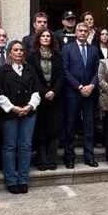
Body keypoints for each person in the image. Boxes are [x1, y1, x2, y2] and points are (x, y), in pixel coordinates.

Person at [0, 40, 43, 193]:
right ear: (10, 53)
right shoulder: (2, 71)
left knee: (26, 146)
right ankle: (11, 180)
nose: (19, 52)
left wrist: (29, 106)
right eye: (15, 50)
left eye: (21, 50)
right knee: (10, 146)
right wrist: (13, 108)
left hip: (28, 113)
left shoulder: (30, 69)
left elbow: (37, 91)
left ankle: (22, 179)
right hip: (10, 114)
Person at [62, 23, 100, 168]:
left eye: (86, 31)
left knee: (89, 125)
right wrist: (79, 86)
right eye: (80, 31)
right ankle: (69, 157)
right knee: (70, 125)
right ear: (76, 33)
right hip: (73, 93)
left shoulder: (94, 50)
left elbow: (98, 70)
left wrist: (91, 85)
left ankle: (89, 156)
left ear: (89, 32)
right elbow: (65, 71)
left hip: (90, 93)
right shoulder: (67, 49)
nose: (83, 33)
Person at [28, 29, 65, 170]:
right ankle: (41, 160)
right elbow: (33, 75)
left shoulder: (57, 55)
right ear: (38, 38)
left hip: (55, 98)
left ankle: (51, 160)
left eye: (48, 36)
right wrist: (44, 91)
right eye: (43, 36)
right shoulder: (32, 56)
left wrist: (54, 91)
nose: (46, 38)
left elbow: (61, 75)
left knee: (54, 130)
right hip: (40, 97)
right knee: (41, 129)